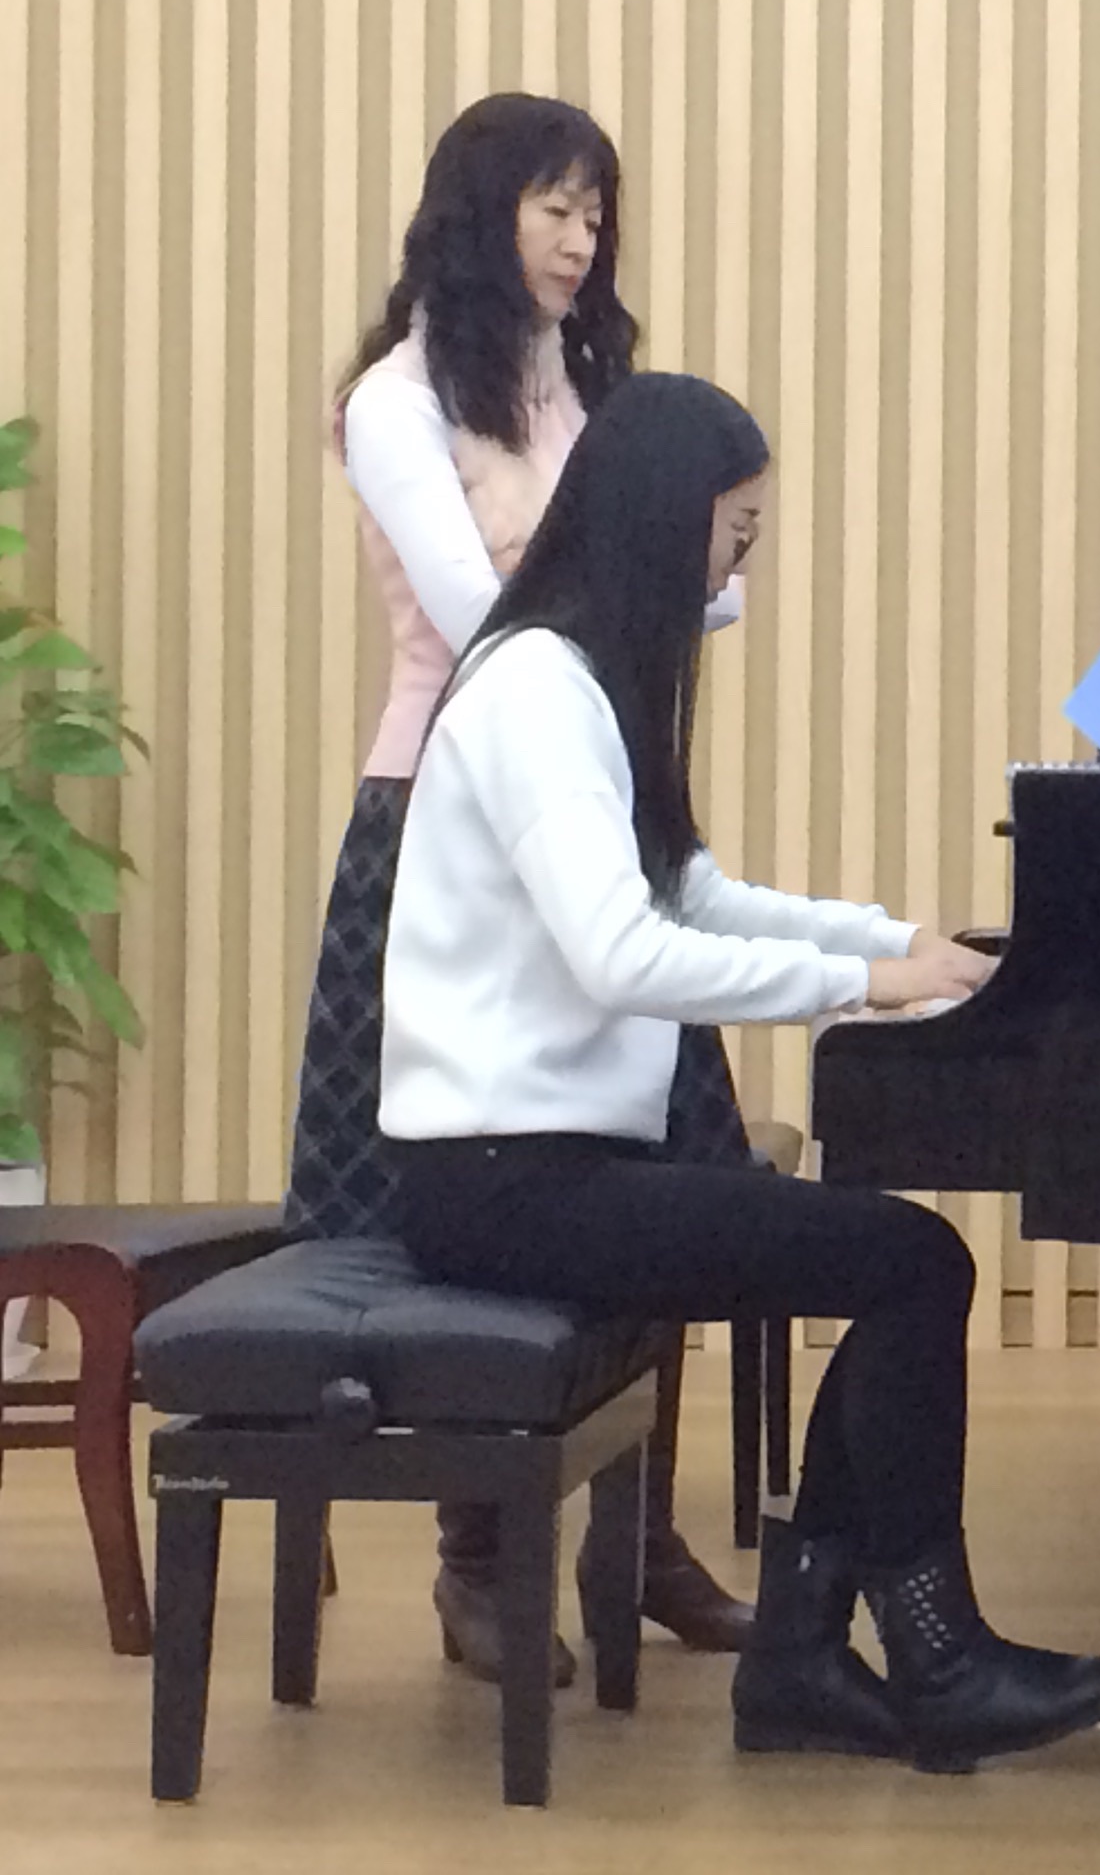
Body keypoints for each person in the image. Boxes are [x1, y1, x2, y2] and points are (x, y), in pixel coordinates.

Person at [382, 371, 1100, 1768]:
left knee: (899, 1264)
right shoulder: (536, 693)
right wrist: (862, 986)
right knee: (910, 1263)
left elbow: (696, 893)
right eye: (733, 539)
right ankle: (927, 1659)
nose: (734, 578)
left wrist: (900, 942)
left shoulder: (577, 679)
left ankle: (814, 1658)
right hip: (500, 1185)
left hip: (548, 1163)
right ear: (664, 523)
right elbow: (624, 955)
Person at [285, 93, 755, 1676]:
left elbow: (703, 586)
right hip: (442, 822)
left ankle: (642, 1536)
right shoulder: (393, 402)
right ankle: (479, 1561)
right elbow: (481, 605)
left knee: (663, 1167)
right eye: (555, 208)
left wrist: (684, 571)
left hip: (597, 806)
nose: (581, 239)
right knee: (472, 1189)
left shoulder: (591, 383)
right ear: (480, 216)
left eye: (596, 213)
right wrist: (654, 572)